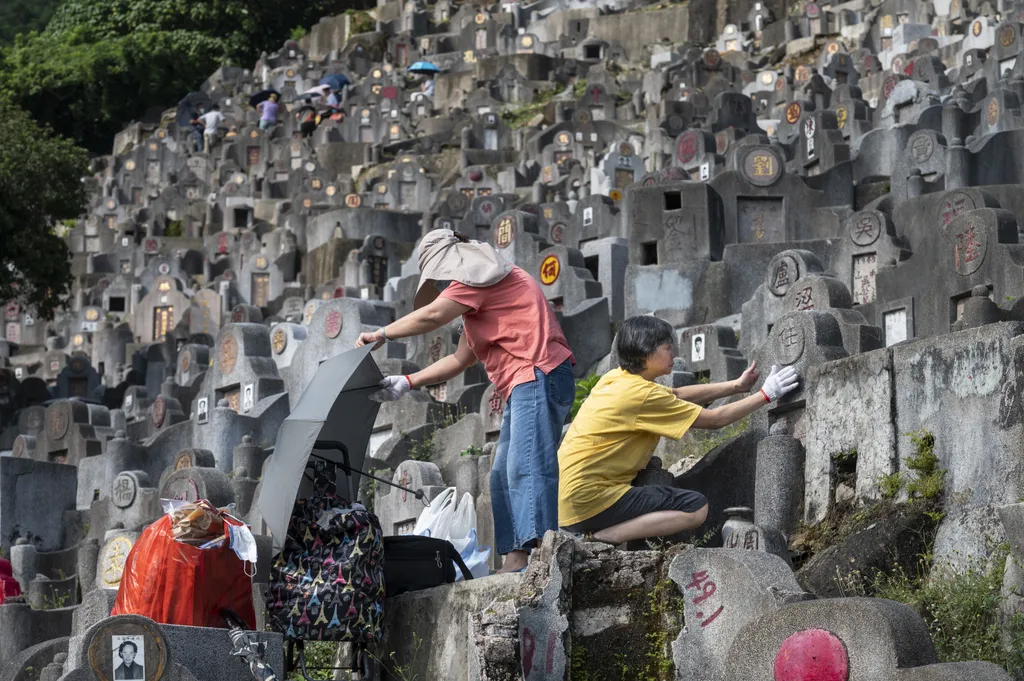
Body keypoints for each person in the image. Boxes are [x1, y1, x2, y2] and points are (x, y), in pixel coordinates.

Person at [356, 229, 575, 573]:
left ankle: (547, 556)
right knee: (501, 473)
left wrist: (382, 333)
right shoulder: (479, 301)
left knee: (525, 465)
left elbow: (432, 316)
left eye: (442, 277)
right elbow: (458, 361)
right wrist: (408, 381)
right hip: (523, 384)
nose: (444, 286)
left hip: (539, 372)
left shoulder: (485, 277)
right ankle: (515, 558)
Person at [557, 316, 799, 545]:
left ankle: (594, 533)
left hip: (568, 499)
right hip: (590, 501)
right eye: (666, 347)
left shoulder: (616, 378)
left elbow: (676, 394)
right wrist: (766, 394)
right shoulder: (642, 395)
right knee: (694, 508)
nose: (673, 353)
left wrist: (737, 386)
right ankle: (600, 539)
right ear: (645, 351)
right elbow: (714, 420)